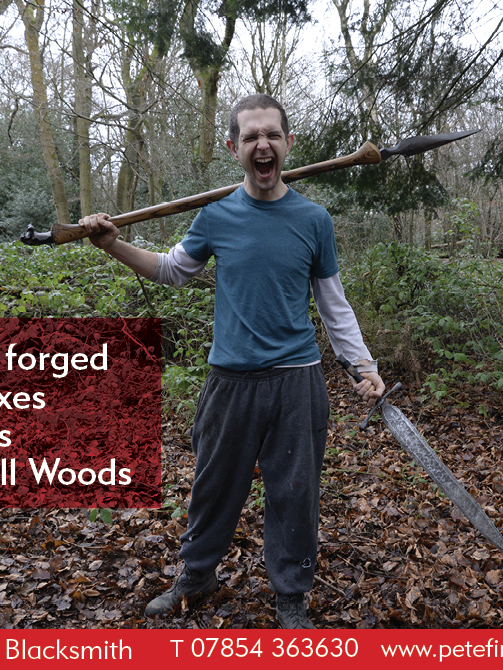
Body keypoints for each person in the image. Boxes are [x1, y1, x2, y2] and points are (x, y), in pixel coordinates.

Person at [79, 94, 384, 629]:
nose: (261, 144)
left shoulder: (314, 220)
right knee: (214, 485)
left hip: (296, 381)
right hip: (230, 380)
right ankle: (198, 574)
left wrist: (361, 364)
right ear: (234, 147)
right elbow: (173, 270)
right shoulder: (216, 215)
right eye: (250, 137)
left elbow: (333, 303)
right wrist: (112, 246)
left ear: (289, 144)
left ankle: (290, 595)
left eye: (271, 135)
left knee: (295, 493)